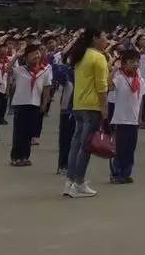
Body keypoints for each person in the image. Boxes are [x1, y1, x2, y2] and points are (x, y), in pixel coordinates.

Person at [63, 28, 109, 198]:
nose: (106, 40)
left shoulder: (81, 55)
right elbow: (102, 86)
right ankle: (79, 183)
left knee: (76, 145)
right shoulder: (98, 57)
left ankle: (70, 181)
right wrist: (104, 108)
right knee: (85, 146)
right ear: (95, 39)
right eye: (104, 36)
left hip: (79, 104)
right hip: (92, 106)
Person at [8, 43, 51, 166]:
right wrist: (16, 56)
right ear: (26, 57)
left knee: (29, 132)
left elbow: (47, 88)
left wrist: (44, 103)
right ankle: (16, 157)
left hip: (35, 103)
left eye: (37, 53)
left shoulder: (45, 70)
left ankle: (25, 156)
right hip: (21, 103)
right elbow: (8, 69)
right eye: (32, 54)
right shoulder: (20, 69)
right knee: (19, 131)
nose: (36, 55)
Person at [108, 48, 145, 184]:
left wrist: (140, 118)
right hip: (121, 119)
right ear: (124, 64)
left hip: (133, 121)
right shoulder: (119, 78)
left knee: (130, 149)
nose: (135, 64)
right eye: (131, 62)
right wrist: (114, 69)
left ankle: (126, 172)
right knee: (119, 148)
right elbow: (108, 85)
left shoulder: (140, 80)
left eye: (137, 62)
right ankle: (116, 173)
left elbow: (140, 101)